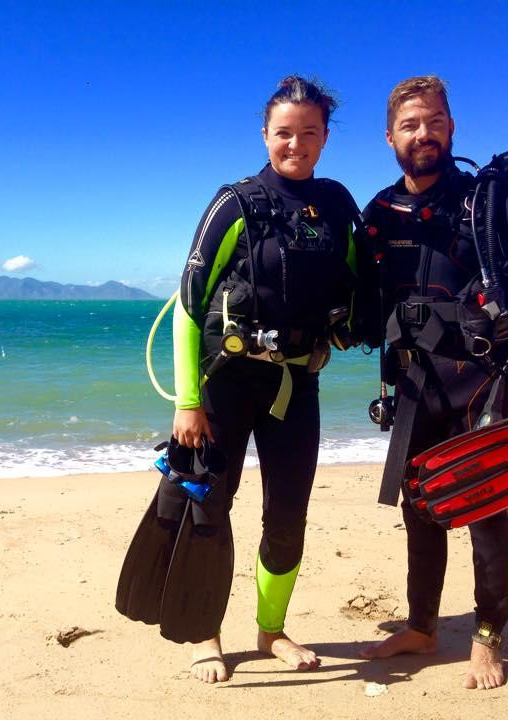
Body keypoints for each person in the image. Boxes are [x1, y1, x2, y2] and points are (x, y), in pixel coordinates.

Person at [358, 76, 508, 689]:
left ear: (452, 127)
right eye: (410, 124)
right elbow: (361, 301)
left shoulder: (489, 201)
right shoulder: (378, 214)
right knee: (421, 507)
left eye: (435, 121)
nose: (423, 133)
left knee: (483, 507)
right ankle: (422, 626)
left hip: (486, 379)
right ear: (390, 137)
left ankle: (487, 638)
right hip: (417, 384)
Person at [170, 75, 364, 683]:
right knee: (210, 507)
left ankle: (271, 629)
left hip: (294, 386)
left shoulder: (335, 206)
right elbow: (187, 305)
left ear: (326, 137)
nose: (296, 144)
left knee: (287, 515)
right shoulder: (236, 202)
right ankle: (205, 631)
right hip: (225, 384)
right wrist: (187, 400)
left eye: (309, 133)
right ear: (265, 134)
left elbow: (362, 287)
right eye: (284, 132)